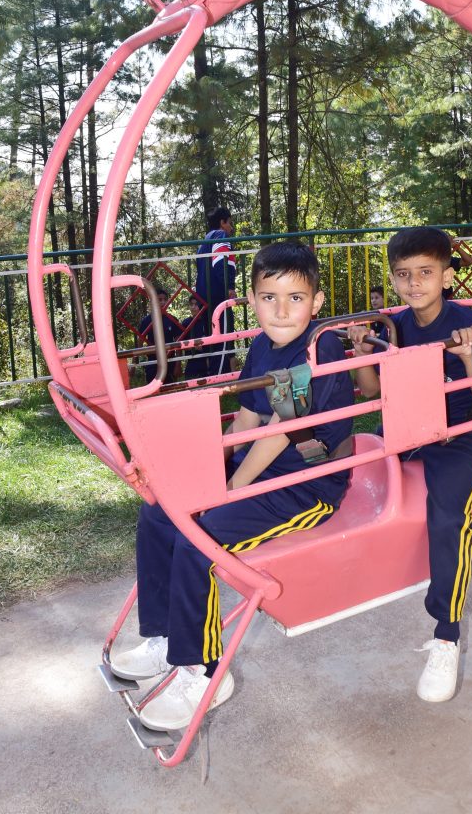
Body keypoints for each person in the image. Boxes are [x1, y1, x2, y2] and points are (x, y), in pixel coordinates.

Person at [110, 241, 355, 731]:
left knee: (197, 540)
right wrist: (205, 471)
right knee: (161, 511)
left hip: (305, 484)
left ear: (317, 302)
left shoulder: (318, 347)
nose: (281, 311)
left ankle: (202, 672)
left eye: (295, 298)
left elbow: (280, 432)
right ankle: (164, 636)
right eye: (269, 298)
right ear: (252, 300)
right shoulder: (264, 345)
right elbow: (246, 418)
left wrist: (226, 491)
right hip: (260, 468)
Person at [348, 227, 472, 704]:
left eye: (426, 273)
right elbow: (371, 391)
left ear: (447, 276)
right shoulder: (392, 326)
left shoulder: (469, 325)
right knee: (348, 468)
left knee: (447, 514)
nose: (414, 283)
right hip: (413, 429)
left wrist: (470, 359)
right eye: (403, 274)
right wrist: (361, 353)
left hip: (464, 435)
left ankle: (446, 635)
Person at [195, 206, 237, 375]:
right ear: (222, 222)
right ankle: (219, 379)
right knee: (223, 338)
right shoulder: (220, 235)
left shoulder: (204, 241)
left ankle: (214, 375)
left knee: (212, 338)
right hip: (218, 295)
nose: (231, 228)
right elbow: (221, 262)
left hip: (204, 296)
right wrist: (229, 286)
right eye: (230, 223)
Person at [137, 285, 180, 384]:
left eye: (165, 299)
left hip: (170, 361)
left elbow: (178, 342)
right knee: (153, 389)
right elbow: (139, 342)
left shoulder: (172, 320)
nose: (163, 302)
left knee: (171, 389)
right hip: (153, 362)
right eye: (160, 299)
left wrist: (178, 364)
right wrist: (135, 364)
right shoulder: (146, 321)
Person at [179, 295, 207, 381]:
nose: (193, 307)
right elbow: (180, 344)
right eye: (191, 304)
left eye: (196, 304)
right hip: (192, 361)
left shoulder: (207, 322)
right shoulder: (186, 323)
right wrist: (194, 346)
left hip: (207, 360)